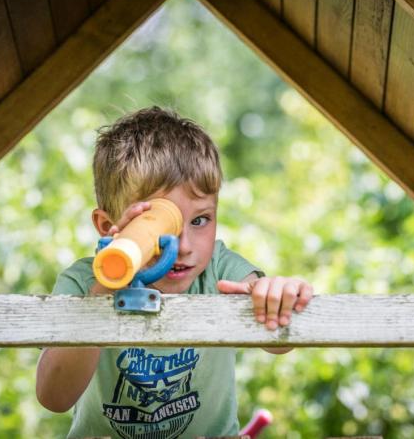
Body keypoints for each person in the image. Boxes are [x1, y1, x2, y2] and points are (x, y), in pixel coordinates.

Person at [36, 106, 314, 439]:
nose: (183, 246)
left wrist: (274, 296)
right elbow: (54, 397)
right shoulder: (83, 282)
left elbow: (279, 344)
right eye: (158, 225)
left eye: (200, 221)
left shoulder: (217, 269)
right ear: (108, 225)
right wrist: (107, 287)